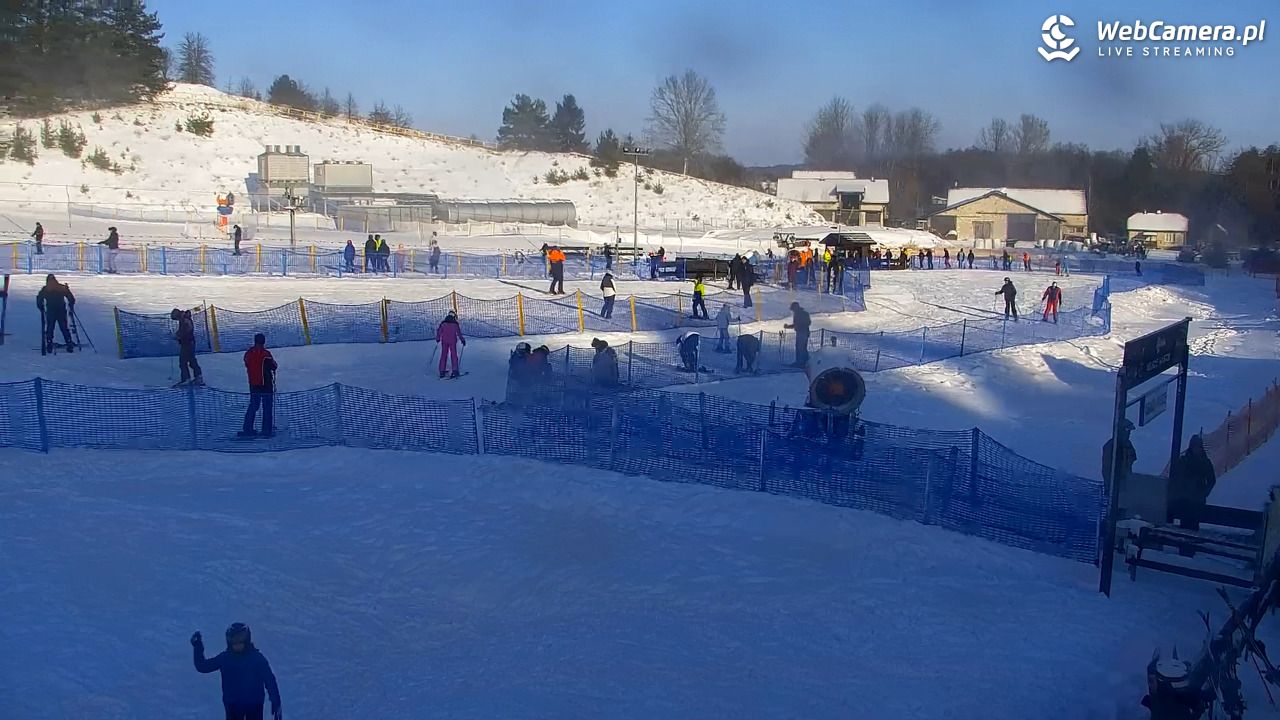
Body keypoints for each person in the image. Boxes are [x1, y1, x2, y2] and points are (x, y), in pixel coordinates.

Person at [191, 623, 282, 720]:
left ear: (246, 640)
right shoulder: (225, 658)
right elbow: (203, 667)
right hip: (232, 704)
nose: (237, 645)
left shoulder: (257, 659)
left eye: (240, 641)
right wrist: (197, 647)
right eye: (234, 641)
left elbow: (270, 680)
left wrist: (276, 701)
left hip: (254, 704)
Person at [1170, 434, 1217, 531]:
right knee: (1184, 526)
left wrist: (1203, 493)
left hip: (1197, 501)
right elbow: (1177, 478)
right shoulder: (1184, 460)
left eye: (1198, 446)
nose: (1196, 449)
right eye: (1194, 446)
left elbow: (1211, 480)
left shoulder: (1205, 462)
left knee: (1194, 526)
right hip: (1185, 500)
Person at [238, 334, 276, 438]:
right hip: (266, 385)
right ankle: (266, 430)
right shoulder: (266, 354)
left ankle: (247, 428)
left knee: (253, 406)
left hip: (253, 384)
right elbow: (274, 366)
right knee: (267, 407)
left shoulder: (249, 353)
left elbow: (246, 363)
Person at [36, 273, 75, 353]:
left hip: (51, 310)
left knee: (50, 328)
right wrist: (71, 304)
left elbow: (39, 298)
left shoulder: (46, 289)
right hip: (61, 310)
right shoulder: (61, 287)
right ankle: (69, 343)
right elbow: (71, 297)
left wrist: (41, 307)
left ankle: (49, 344)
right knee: (64, 328)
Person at [171, 308, 203, 385]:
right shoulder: (184, 319)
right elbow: (183, 330)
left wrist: (178, 336)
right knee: (192, 360)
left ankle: (186, 379)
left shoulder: (184, 320)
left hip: (187, 343)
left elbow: (186, 331)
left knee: (183, 362)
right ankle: (198, 377)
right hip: (189, 342)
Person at [1101, 419, 1137, 486]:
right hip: (1116, 485)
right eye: (1127, 430)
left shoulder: (1127, 443)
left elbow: (1133, 458)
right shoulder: (1111, 446)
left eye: (1129, 431)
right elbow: (1107, 470)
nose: (1129, 433)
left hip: (1126, 481)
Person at [436, 310, 465, 378]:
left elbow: (439, 331)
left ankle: (442, 371)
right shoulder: (455, 324)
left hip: (444, 341)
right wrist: (462, 340)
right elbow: (459, 333)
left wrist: (438, 338)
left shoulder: (443, 323)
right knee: (454, 355)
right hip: (452, 341)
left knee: (443, 355)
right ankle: (455, 370)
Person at [784, 301, 811, 367]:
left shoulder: (802, 314)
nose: (793, 311)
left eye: (793, 309)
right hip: (800, 332)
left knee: (801, 347)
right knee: (801, 347)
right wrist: (788, 326)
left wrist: (801, 325)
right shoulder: (798, 314)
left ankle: (802, 362)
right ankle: (803, 362)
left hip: (803, 332)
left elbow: (808, 322)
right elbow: (796, 324)